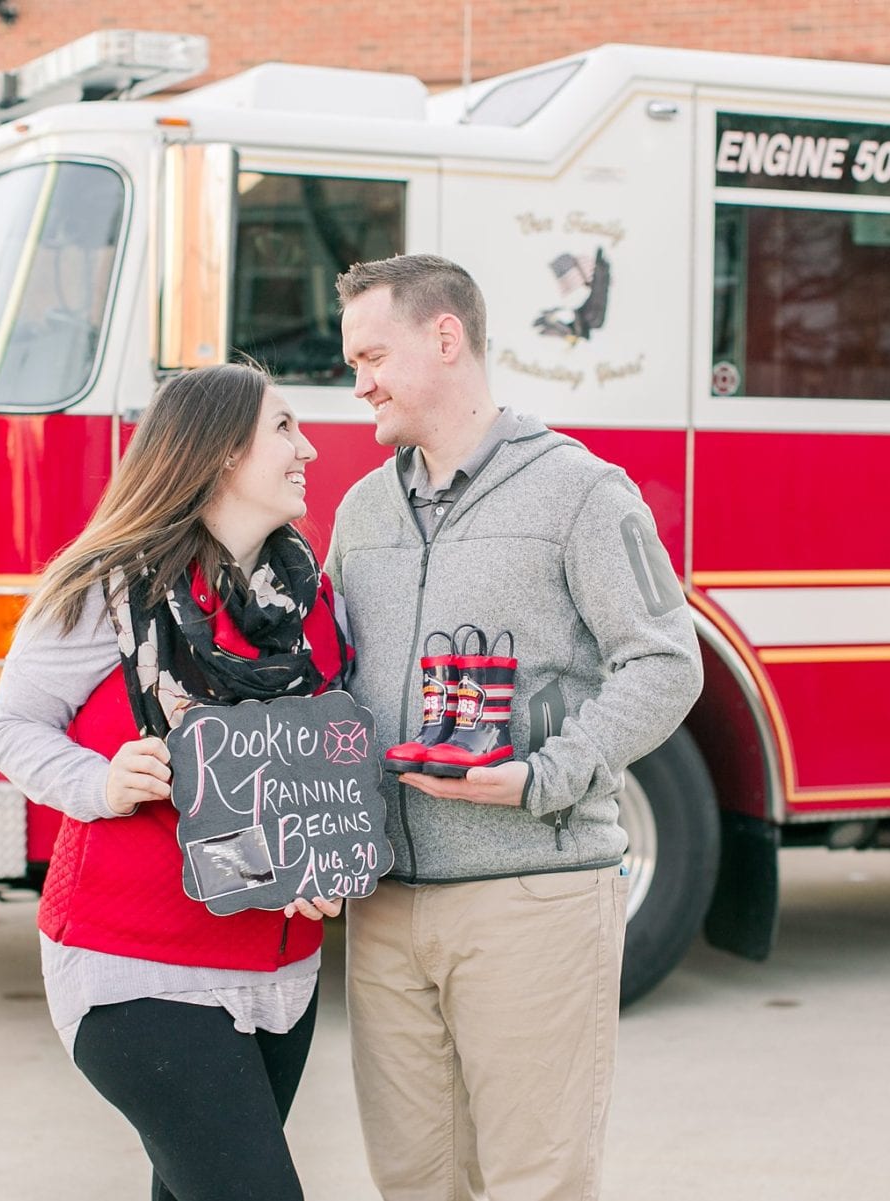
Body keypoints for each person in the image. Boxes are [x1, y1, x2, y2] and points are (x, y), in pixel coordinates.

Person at [326, 254, 702, 1200]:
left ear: (444, 337)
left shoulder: (581, 491)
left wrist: (547, 773)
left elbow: (666, 660)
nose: (358, 380)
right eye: (353, 361)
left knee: (535, 1183)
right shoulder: (362, 509)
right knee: (414, 1182)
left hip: (530, 898)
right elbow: (330, 685)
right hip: (384, 908)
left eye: (373, 354)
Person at [0, 363, 349, 1201]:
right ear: (221, 453)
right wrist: (101, 781)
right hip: (135, 967)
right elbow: (11, 728)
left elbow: (316, 763)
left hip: (279, 974)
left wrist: (324, 862)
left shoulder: (311, 602)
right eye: (286, 429)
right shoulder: (105, 587)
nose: (311, 447)